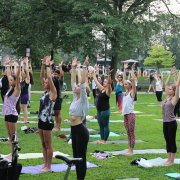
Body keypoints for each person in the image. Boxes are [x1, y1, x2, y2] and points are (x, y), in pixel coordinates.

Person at [69, 56, 90, 180]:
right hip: (74, 130)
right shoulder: (75, 98)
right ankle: (78, 178)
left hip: (81, 131)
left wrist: (84, 67)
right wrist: (72, 68)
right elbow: (73, 82)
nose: (75, 87)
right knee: (75, 157)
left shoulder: (83, 100)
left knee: (81, 157)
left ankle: (81, 179)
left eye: (77, 86)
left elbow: (82, 84)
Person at [37, 56, 58, 172]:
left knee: (48, 144)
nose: (44, 82)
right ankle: (45, 164)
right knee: (43, 143)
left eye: (46, 82)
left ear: (50, 84)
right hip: (40, 119)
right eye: (44, 82)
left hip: (47, 121)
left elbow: (49, 77)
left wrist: (49, 65)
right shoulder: (45, 92)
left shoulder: (53, 93)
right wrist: (43, 64)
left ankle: (48, 166)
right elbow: (42, 76)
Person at [2, 56, 22, 159]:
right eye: (9, 80)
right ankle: (12, 152)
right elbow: (10, 74)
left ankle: (15, 153)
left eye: (11, 80)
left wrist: (17, 65)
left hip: (12, 114)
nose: (10, 81)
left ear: (15, 81)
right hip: (7, 114)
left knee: (13, 136)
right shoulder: (10, 89)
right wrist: (7, 65)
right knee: (9, 135)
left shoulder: (16, 90)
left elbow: (17, 77)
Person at [90, 67, 114, 144]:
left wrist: (109, 75)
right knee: (100, 125)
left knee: (105, 125)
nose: (104, 82)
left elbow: (110, 84)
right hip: (99, 110)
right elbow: (96, 81)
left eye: (105, 82)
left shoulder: (108, 91)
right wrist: (93, 73)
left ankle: (105, 140)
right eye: (104, 81)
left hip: (105, 110)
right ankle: (102, 140)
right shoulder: (102, 89)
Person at [162, 66, 180, 165]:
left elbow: (177, 86)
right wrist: (170, 74)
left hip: (172, 123)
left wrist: (179, 76)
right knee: (167, 141)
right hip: (165, 122)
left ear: (173, 91)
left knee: (172, 141)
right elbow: (166, 83)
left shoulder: (174, 99)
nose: (168, 90)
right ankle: (168, 159)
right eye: (168, 89)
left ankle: (172, 161)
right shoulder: (166, 98)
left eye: (170, 89)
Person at [122, 62, 136, 155]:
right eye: (125, 84)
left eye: (126, 84)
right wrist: (125, 69)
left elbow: (134, 82)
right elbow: (123, 80)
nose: (125, 85)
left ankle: (131, 150)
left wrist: (133, 70)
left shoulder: (132, 93)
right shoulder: (125, 93)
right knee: (128, 132)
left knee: (131, 133)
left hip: (131, 114)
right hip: (125, 114)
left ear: (130, 85)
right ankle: (129, 148)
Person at [52, 61, 63, 131]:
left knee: (58, 113)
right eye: (54, 74)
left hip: (58, 98)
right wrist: (49, 66)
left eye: (56, 74)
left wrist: (60, 67)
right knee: (55, 113)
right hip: (54, 98)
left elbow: (62, 75)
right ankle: (56, 126)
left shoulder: (60, 80)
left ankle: (59, 127)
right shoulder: (54, 80)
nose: (54, 75)